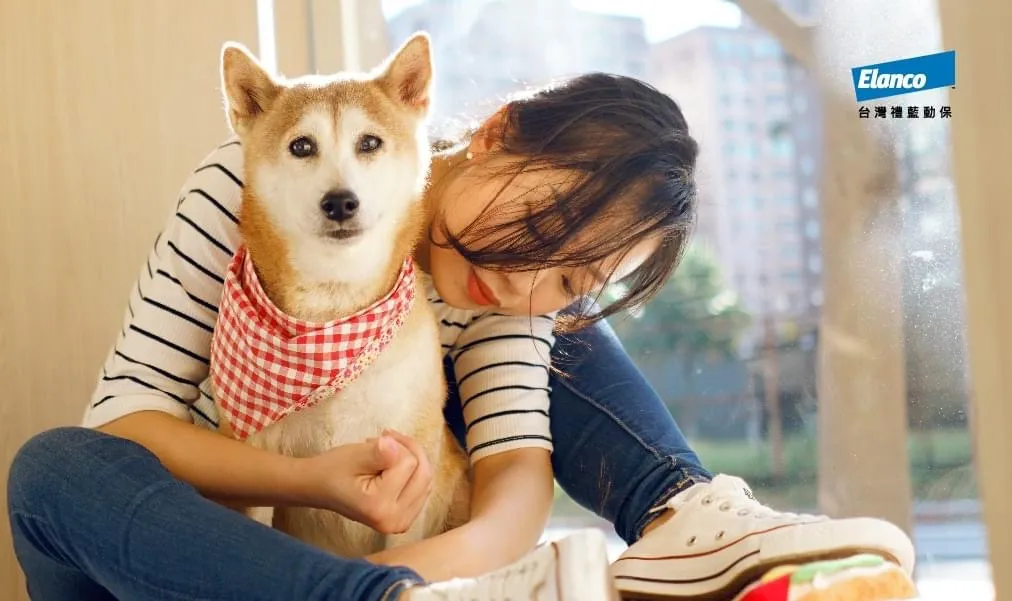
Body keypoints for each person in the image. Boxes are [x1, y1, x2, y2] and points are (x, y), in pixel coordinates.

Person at [7, 72, 913, 601]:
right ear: (494, 132)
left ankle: (686, 515)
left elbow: (515, 475)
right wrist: (304, 481)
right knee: (52, 469)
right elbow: (126, 422)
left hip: (374, 573)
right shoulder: (261, 185)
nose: (526, 275)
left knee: (559, 329)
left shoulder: (503, 303)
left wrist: (409, 575)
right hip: (176, 562)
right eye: (545, 216)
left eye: (570, 269)